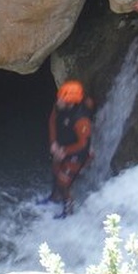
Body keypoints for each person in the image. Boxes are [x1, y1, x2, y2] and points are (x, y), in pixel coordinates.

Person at [44, 80, 95, 219]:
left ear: (70, 103)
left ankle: (68, 209)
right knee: (55, 169)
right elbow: (52, 121)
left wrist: (64, 151)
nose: (58, 101)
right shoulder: (61, 105)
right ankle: (54, 198)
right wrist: (53, 143)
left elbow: (83, 144)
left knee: (63, 181)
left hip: (78, 152)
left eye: (61, 99)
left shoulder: (81, 120)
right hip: (64, 142)